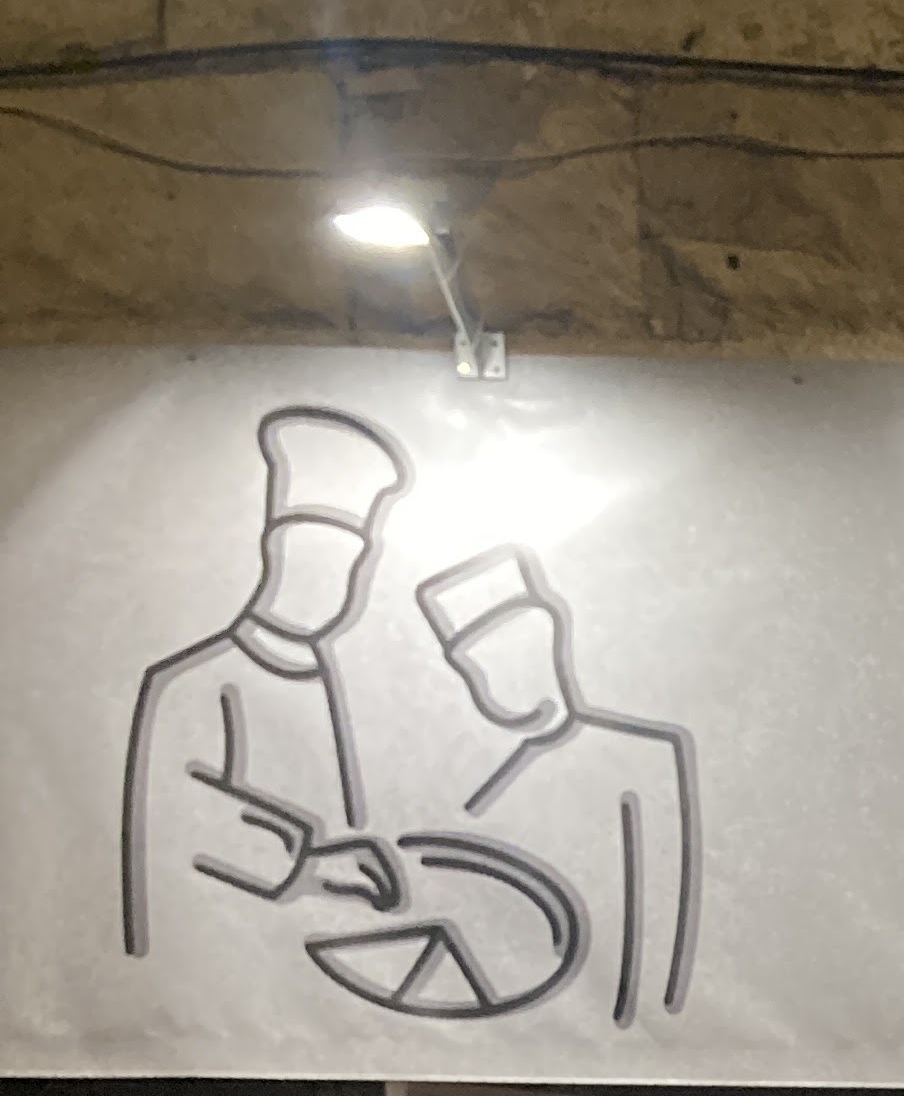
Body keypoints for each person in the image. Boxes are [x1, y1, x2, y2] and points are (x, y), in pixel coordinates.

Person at [121, 403, 412, 958]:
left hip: (311, 959)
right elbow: (179, 821)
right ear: (273, 552)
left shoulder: (323, 683)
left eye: (348, 565)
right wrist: (310, 864)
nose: (336, 582)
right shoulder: (194, 682)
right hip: (209, 963)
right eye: (315, 561)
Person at [414, 544, 702, 1021]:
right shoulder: (485, 787)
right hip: (528, 1004)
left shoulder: (639, 757)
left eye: (517, 652)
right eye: (478, 664)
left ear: (552, 638)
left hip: (617, 1018)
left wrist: (648, 1018)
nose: (498, 678)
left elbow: (663, 906)